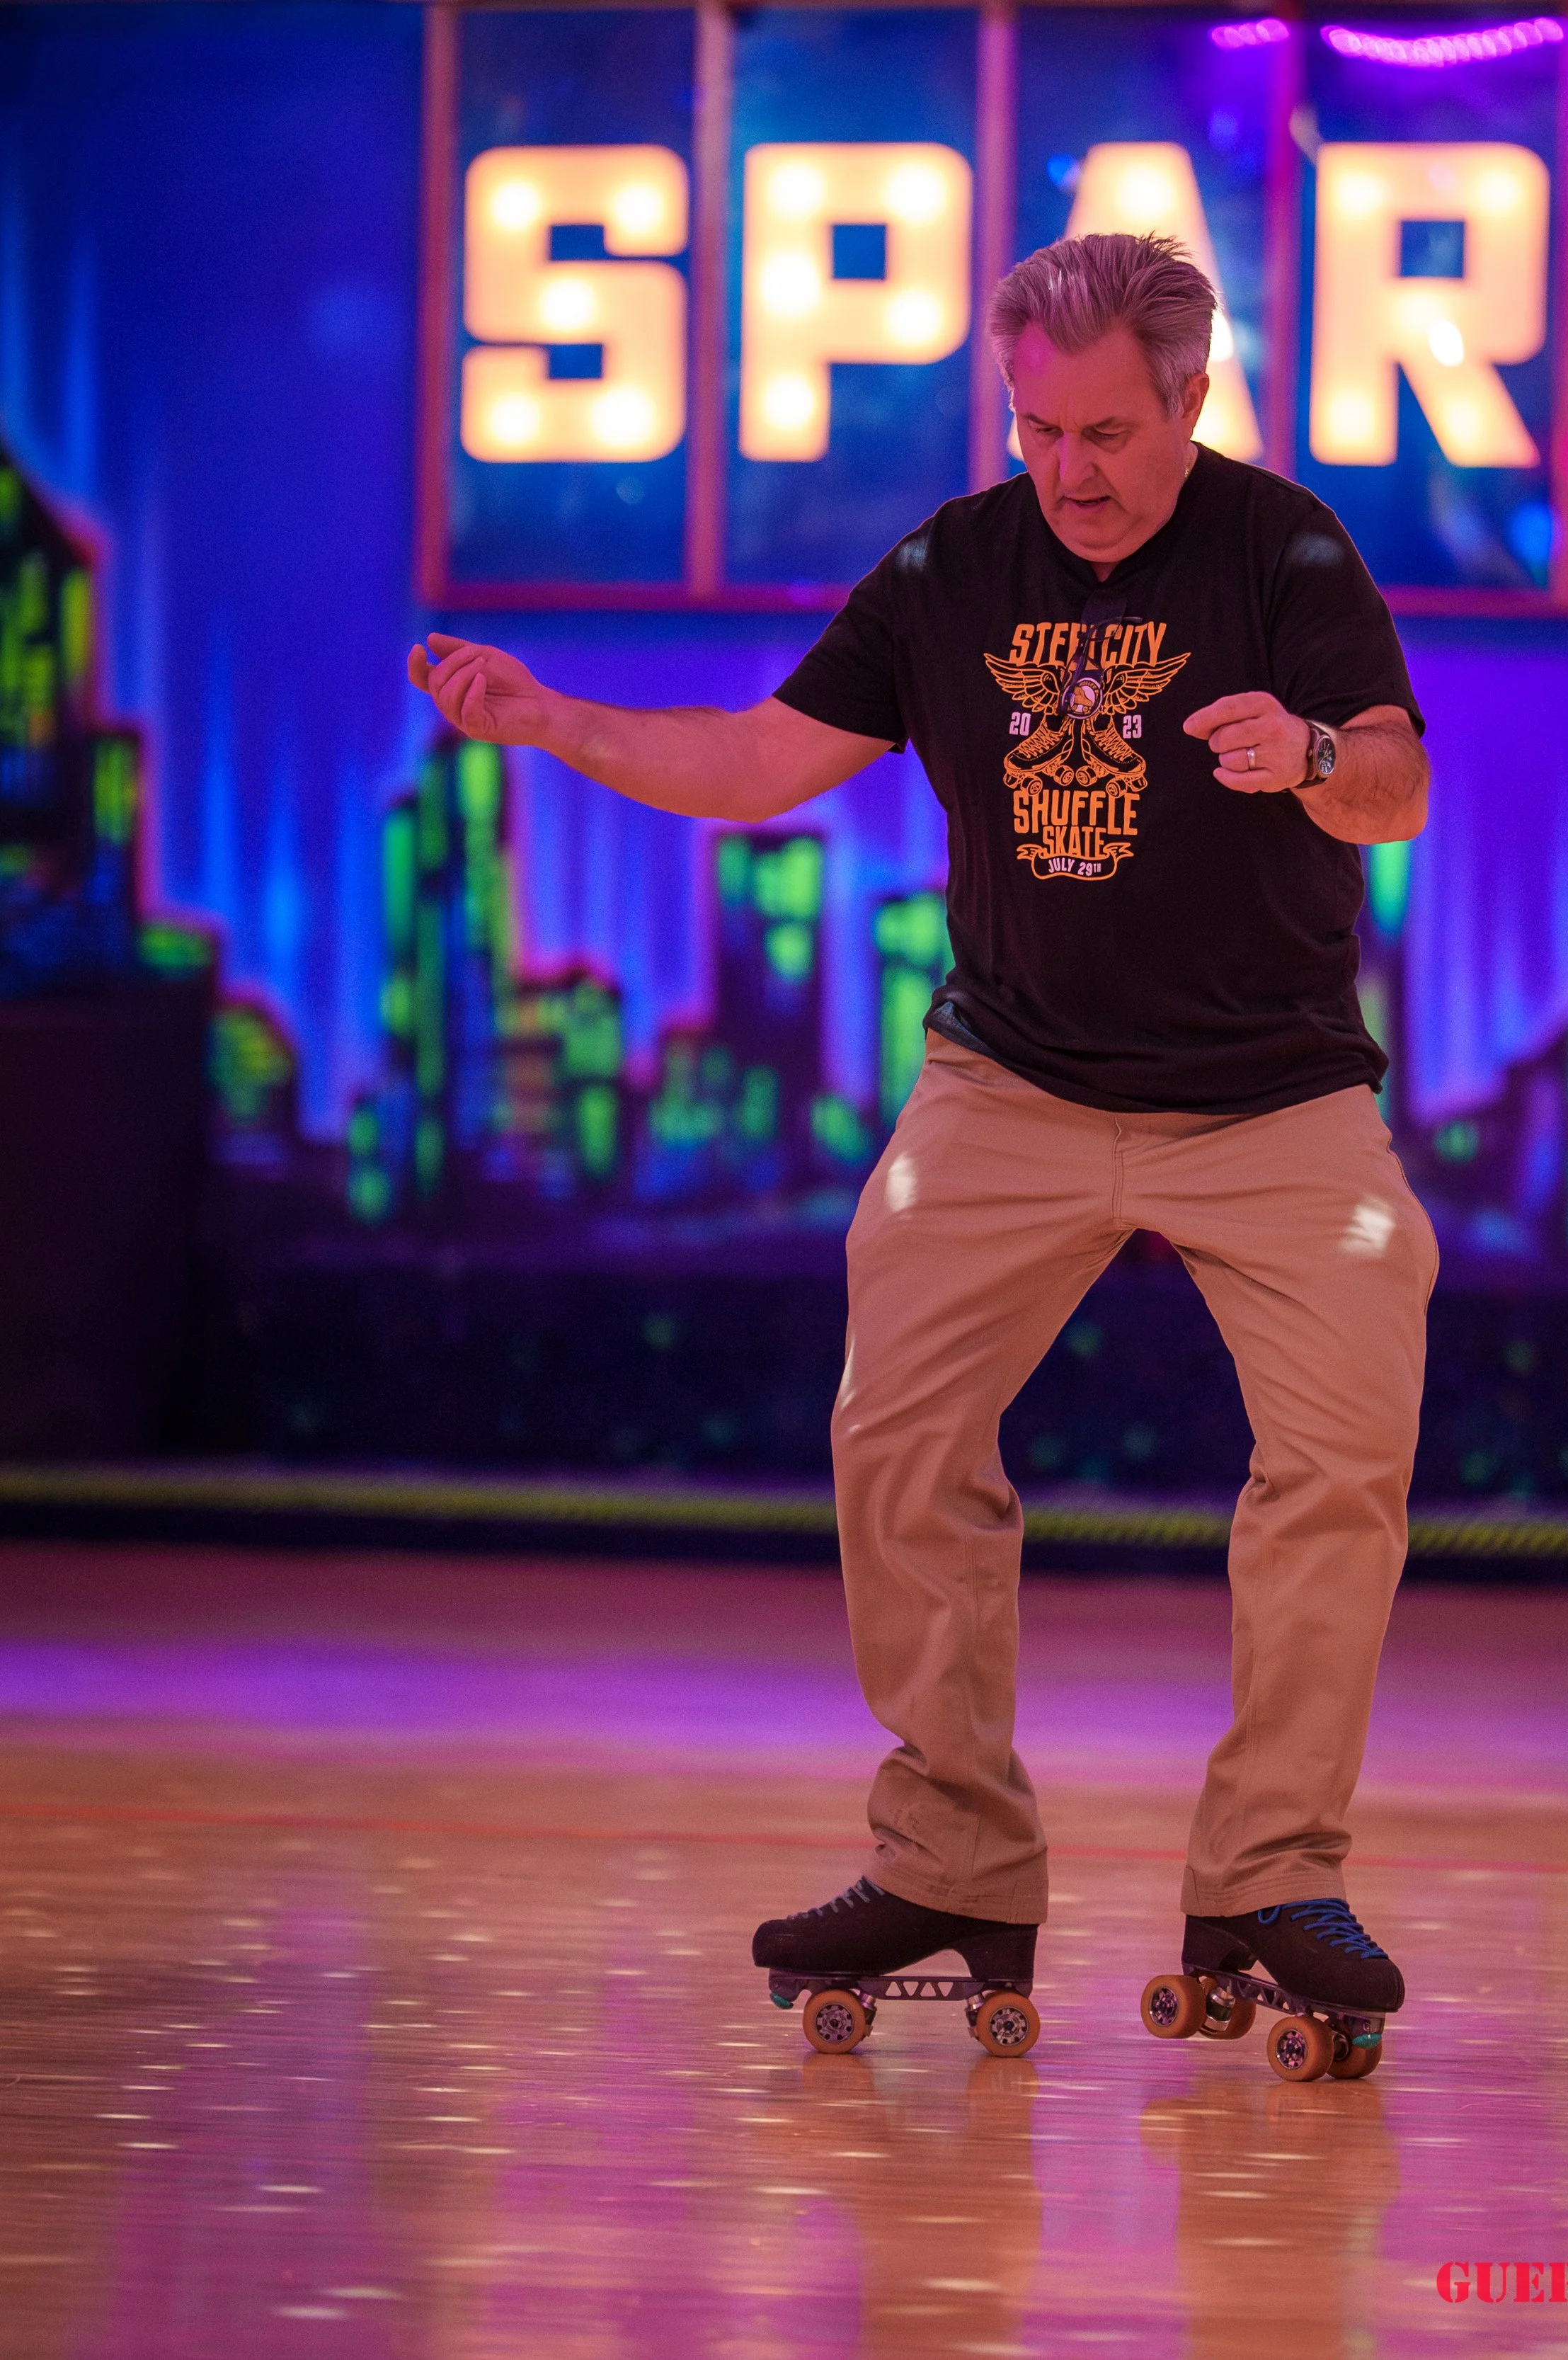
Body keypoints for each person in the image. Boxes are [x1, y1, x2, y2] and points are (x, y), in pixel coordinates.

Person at [409, 233, 1434, 2023]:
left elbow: (1399, 779)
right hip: (1006, 1086)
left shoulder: (1283, 546)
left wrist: (1315, 764)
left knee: (1339, 1465)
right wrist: (548, 719)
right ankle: (950, 1856)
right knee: (894, 1435)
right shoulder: (950, 564)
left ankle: (1270, 1876)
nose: (1070, 471)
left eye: (1109, 430)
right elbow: (750, 764)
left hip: (1270, 1098)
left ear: (1191, 400)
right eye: (1037, 428)